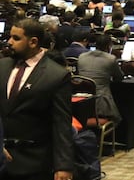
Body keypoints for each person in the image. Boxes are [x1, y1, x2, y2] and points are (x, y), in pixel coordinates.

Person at [0, 18, 74, 180]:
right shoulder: (2, 66)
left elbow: (61, 123)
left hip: (34, 162)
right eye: (10, 37)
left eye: (16, 38)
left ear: (33, 42)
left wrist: (63, 166)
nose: (9, 42)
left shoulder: (56, 75)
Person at [76, 33, 124, 125]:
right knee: (117, 119)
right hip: (102, 103)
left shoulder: (81, 57)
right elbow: (119, 77)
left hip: (82, 100)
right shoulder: (111, 59)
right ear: (109, 46)